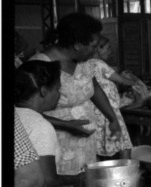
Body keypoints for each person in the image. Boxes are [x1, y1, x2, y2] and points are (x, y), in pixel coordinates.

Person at [28, 12, 121, 177]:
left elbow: (95, 89)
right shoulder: (39, 66)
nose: (94, 52)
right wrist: (67, 125)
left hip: (85, 139)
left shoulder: (84, 63)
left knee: (86, 185)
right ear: (77, 44)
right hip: (54, 140)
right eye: (93, 46)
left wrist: (112, 118)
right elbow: (25, 113)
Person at [15, 61, 85, 187]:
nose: (59, 95)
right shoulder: (39, 126)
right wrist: (77, 181)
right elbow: (46, 182)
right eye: (57, 89)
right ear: (44, 91)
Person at [87, 35, 134, 158]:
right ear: (98, 49)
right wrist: (135, 83)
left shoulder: (86, 64)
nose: (110, 51)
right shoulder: (99, 63)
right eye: (107, 48)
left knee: (97, 146)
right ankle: (126, 173)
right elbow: (121, 81)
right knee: (124, 145)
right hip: (108, 111)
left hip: (95, 111)